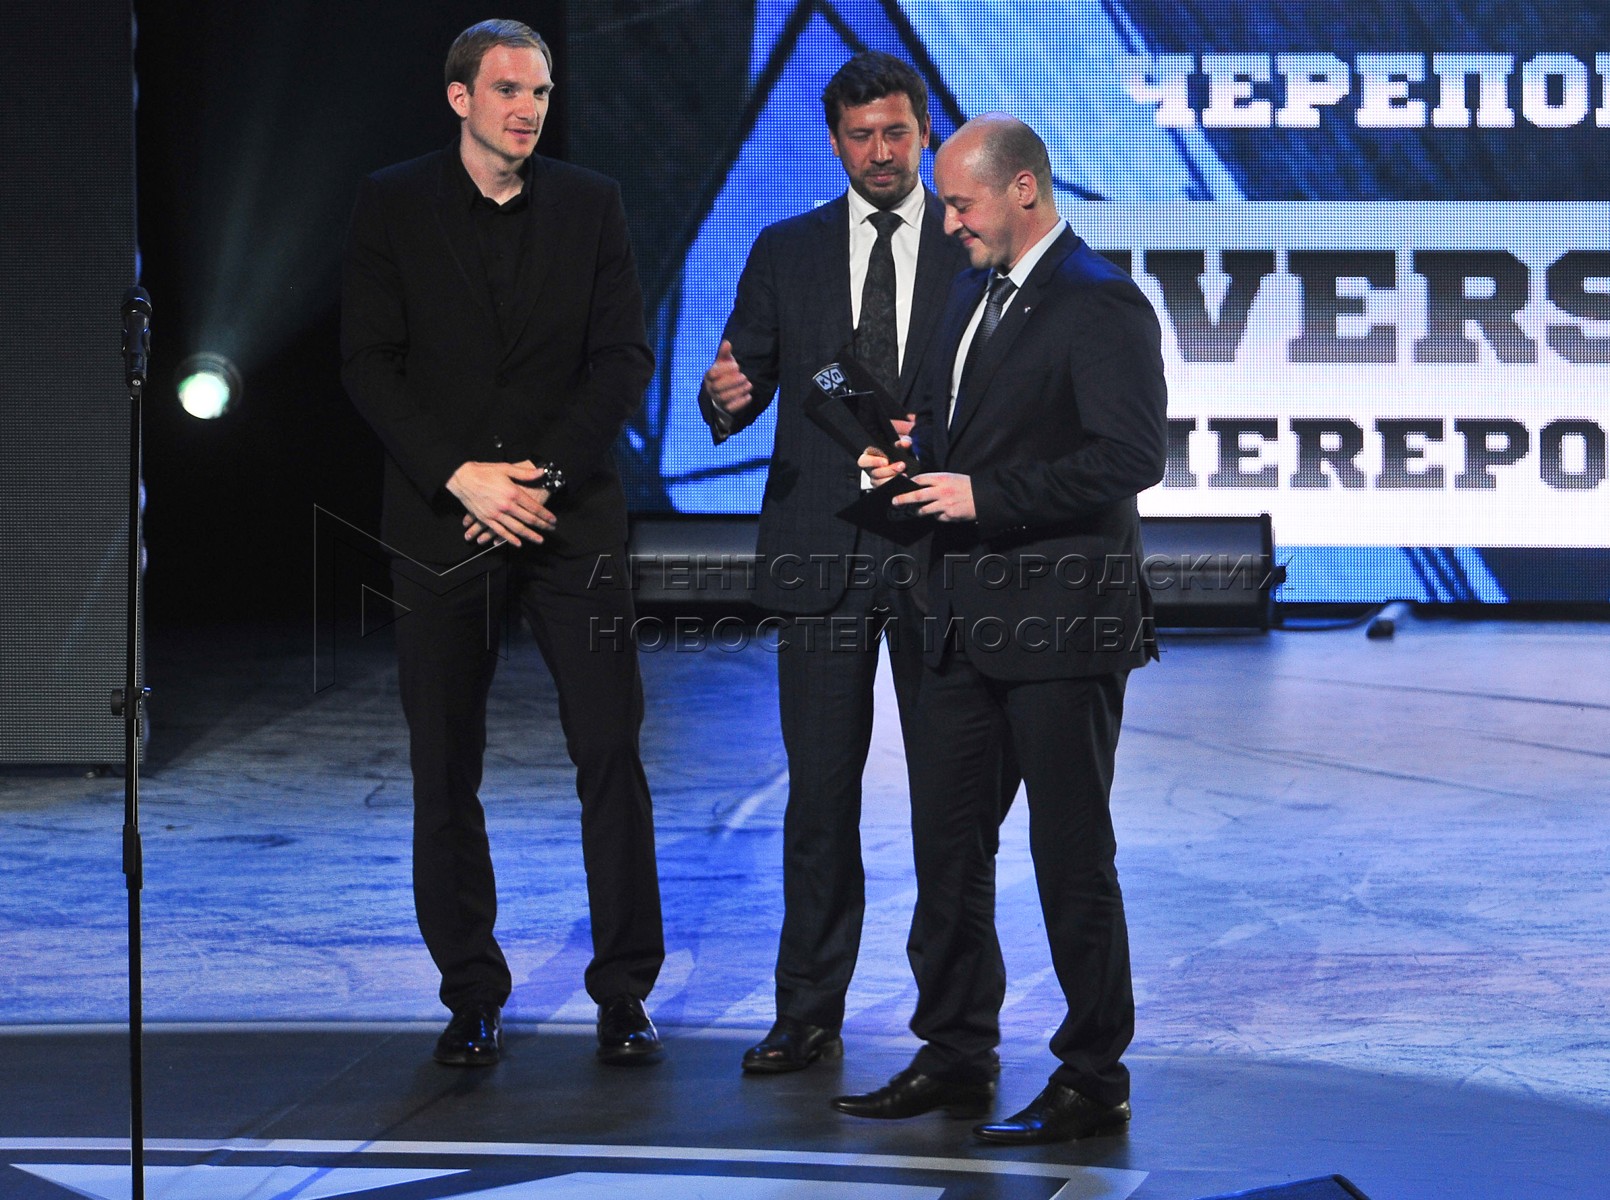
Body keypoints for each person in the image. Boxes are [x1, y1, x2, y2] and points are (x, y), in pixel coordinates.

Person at [340, 19, 665, 1070]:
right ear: (461, 99)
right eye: (510, 89)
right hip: (444, 519)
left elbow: (621, 359)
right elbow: (369, 362)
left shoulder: (591, 203)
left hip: (569, 519)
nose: (529, 108)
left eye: (541, 91)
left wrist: (539, 479)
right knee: (445, 762)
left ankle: (624, 989)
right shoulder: (393, 200)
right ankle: (472, 990)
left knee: (608, 747)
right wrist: (462, 475)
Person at [840, 113, 1167, 1143]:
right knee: (946, 851)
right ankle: (953, 1052)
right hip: (956, 623)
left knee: (1070, 856)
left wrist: (986, 496)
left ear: (1022, 189)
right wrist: (908, 456)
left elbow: (1130, 457)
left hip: (1061, 627)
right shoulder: (968, 295)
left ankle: (1092, 1076)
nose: (947, 223)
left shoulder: (1100, 301)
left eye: (960, 203)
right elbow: (961, 429)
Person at [699, 52, 976, 1074]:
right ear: (834, 142)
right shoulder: (788, 249)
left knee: (951, 803)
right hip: (822, 554)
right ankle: (807, 1009)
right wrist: (722, 397)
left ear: (924, 133)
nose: (880, 153)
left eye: (896, 133)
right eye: (861, 136)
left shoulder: (968, 243)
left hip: (941, 555)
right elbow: (741, 377)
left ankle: (956, 1025)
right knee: (818, 796)